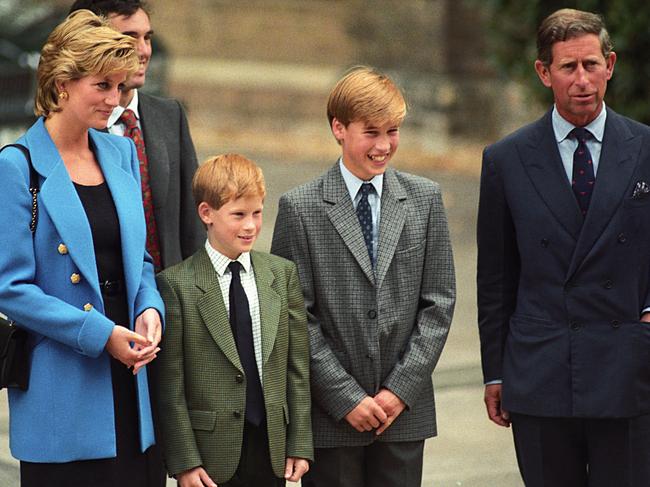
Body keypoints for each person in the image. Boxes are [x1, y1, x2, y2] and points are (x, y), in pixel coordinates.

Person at [477, 8, 650, 486]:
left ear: (610, 65)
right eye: (568, 67)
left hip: (628, 370)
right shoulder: (505, 160)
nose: (582, 80)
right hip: (542, 373)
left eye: (592, 65)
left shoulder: (646, 148)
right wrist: (496, 372)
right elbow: (495, 279)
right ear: (543, 72)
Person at [0, 10, 164, 487]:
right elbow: (10, 288)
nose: (115, 100)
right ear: (62, 83)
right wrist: (100, 334)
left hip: (132, 386)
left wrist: (149, 308)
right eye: (102, 86)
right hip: (63, 392)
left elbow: (142, 262)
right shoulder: (17, 166)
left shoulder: (121, 153)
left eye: (119, 87)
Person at [271, 66, 456, 487]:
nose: (384, 145)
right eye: (371, 132)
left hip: (403, 415)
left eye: (393, 131)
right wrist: (346, 397)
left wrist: (398, 392)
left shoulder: (424, 199)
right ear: (338, 128)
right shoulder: (300, 208)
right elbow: (296, 315)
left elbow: (439, 303)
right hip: (333, 419)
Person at [153, 153, 313, 487]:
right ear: (206, 213)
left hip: (270, 447)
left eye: (257, 213)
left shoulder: (281, 275)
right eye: (238, 214)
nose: (251, 225)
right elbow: (171, 383)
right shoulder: (177, 284)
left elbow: (296, 369)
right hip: (210, 455)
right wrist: (184, 462)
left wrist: (298, 442)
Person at [70, 0, 203, 271]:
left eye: (147, 38)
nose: (143, 51)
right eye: (129, 38)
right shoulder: (72, 127)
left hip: (169, 299)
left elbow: (193, 225)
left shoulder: (170, 115)